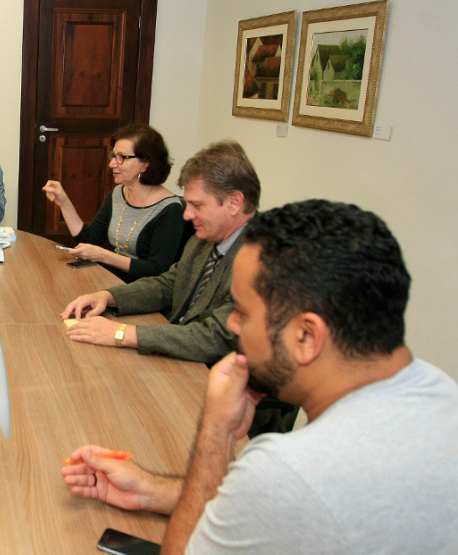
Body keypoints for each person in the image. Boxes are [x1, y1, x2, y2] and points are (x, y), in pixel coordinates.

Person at [62, 200, 458, 553]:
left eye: (244, 313)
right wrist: (153, 490)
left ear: (306, 336)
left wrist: (217, 432)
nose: (232, 325)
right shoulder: (440, 390)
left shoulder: (289, 471)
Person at [61, 140, 259, 365]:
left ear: (234, 202)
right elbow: (170, 284)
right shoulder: (203, 240)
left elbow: (215, 338)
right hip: (181, 354)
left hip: (224, 378)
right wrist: (108, 297)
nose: (187, 215)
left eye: (198, 206)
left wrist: (122, 334)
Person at [42, 124, 189, 281]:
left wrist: (104, 256)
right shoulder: (118, 194)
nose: (112, 164)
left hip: (141, 289)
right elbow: (89, 239)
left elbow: (157, 270)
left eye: (122, 157)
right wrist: (64, 202)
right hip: (111, 277)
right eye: (114, 156)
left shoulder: (170, 210)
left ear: (145, 164)